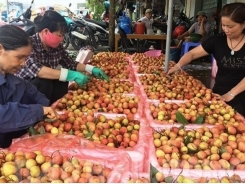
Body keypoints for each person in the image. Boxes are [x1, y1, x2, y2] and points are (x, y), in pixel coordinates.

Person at [15, 10, 109, 105]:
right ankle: (39, 113)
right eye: (59, 35)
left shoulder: (56, 47)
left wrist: (91, 69)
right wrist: (71, 75)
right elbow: (38, 71)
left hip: (44, 90)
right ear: (46, 31)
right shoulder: (29, 45)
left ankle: (54, 107)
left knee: (61, 80)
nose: (62, 39)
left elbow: (71, 64)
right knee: (46, 81)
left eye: (63, 35)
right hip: (23, 92)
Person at [168, 2, 245, 117]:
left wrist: (231, 94)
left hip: (241, 95)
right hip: (219, 93)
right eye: (223, 25)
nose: (226, 30)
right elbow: (192, 54)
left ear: (243, 24)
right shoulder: (218, 40)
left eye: (230, 26)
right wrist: (178, 66)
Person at [0, 25, 59, 148]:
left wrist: (45, 107)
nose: (23, 63)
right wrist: (39, 111)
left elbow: (33, 92)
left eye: (26, 58)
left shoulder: (12, 79)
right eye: (20, 57)